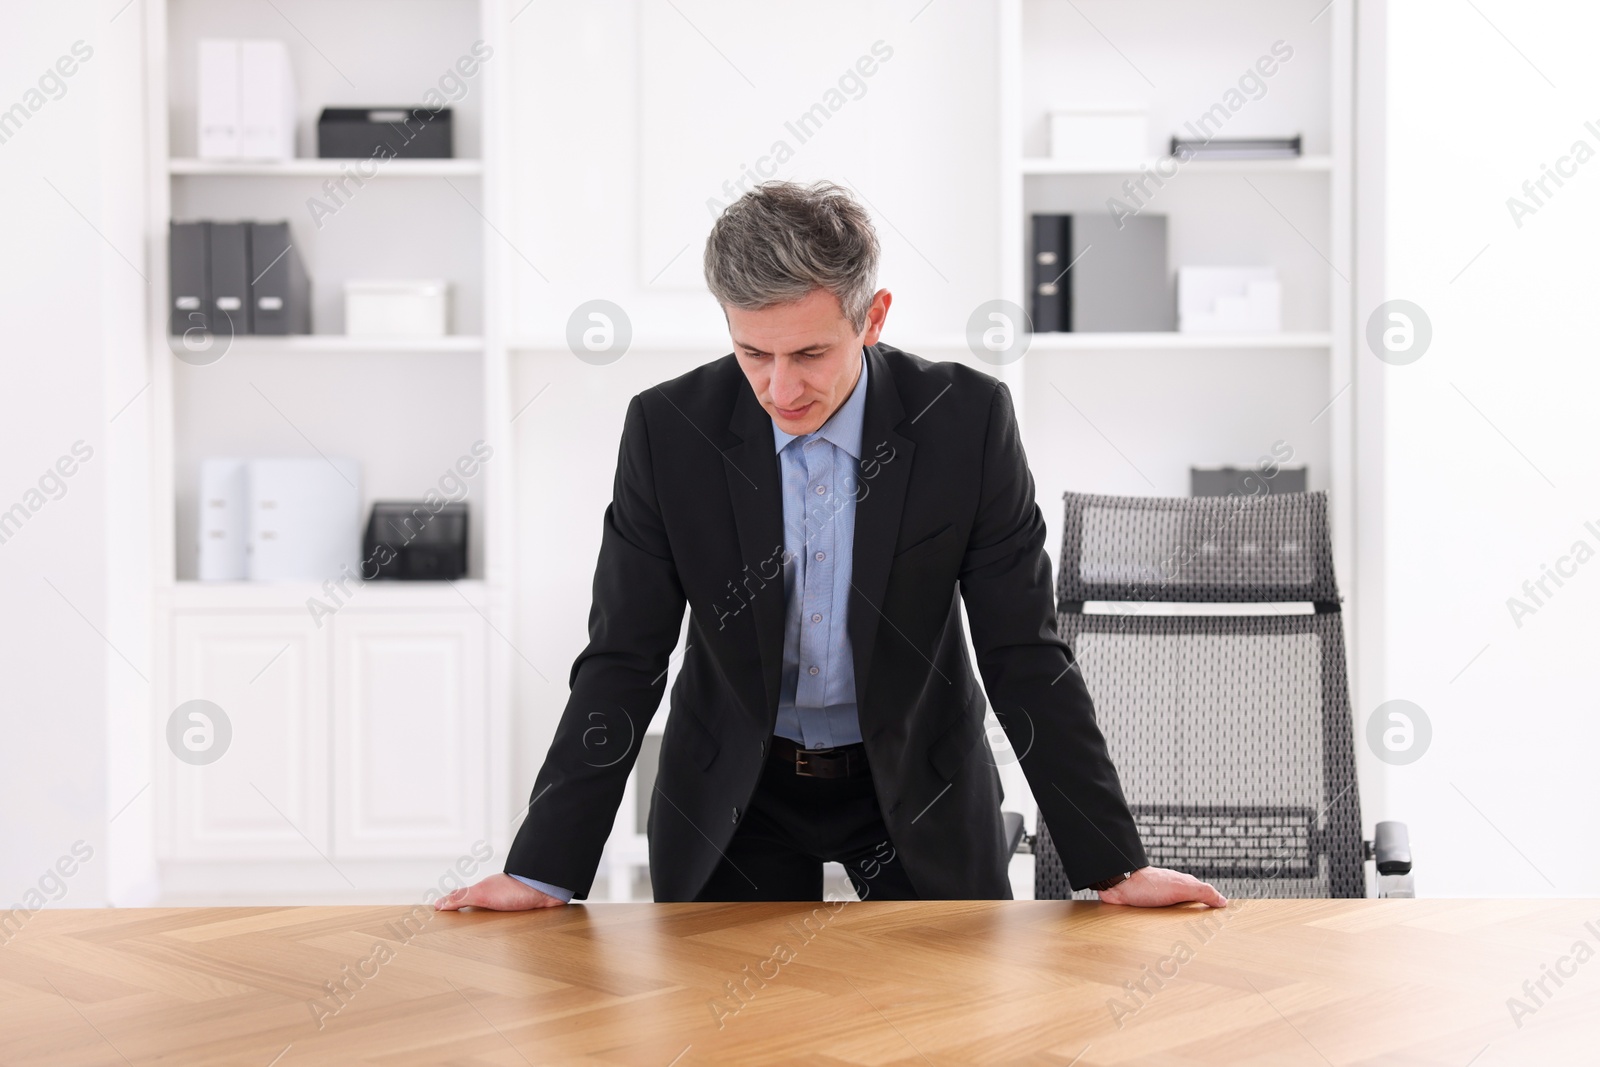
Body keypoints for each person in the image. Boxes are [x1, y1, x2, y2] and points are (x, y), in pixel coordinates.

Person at [439, 181, 1225, 911]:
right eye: (754, 354)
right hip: (736, 791)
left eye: (810, 354)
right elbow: (623, 657)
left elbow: (1024, 651)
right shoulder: (667, 431)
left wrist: (1113, 863)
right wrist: (541, 867)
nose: (781, 390)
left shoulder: (967, 423)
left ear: (873, 317)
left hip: (918, 777)